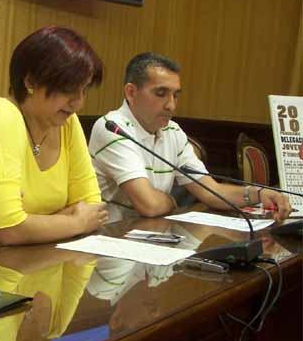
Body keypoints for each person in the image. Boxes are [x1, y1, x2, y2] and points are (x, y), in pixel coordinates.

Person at [0, 26, 109, 255]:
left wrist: (32, 225)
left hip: (39, 256)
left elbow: (93, 210)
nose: (78, 102)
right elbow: (8, 230)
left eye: (84, 89)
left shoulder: (67, 122)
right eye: (69, 88)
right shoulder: (2, 118)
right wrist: (76, 222)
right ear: (30, 81)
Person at [88, 52, 291, 222]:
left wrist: (259, 194)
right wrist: (172, 201)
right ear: (131, 93)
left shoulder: (172, 131)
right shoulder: (112, 128)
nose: (171, 105)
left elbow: (210, 191)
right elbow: (149, 205)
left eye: (175, 95)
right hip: (111, 239)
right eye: (161, 93)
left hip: (151, 237)